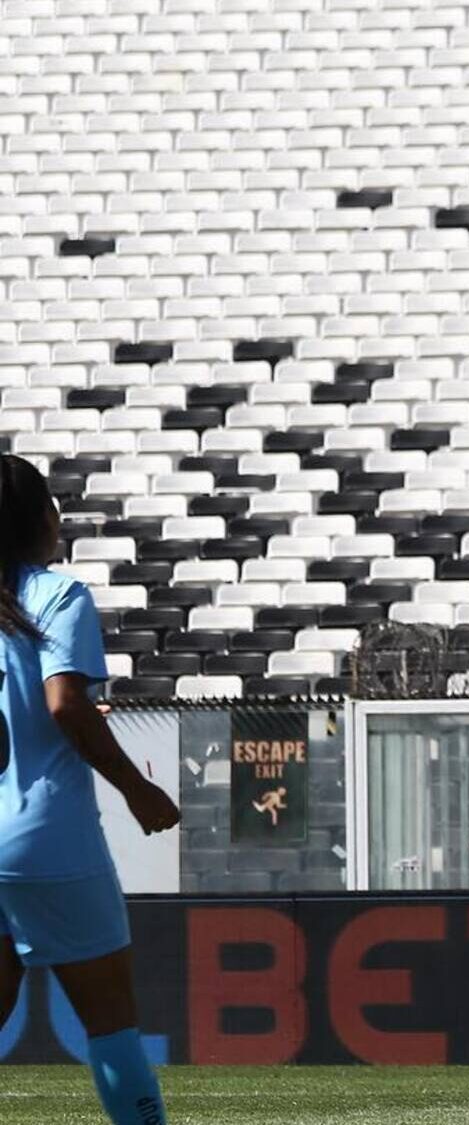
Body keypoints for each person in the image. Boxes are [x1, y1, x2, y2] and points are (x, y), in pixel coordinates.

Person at [0, 453, 180, 1125]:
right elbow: (63, 703)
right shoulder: (56, 593)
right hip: (45, 839)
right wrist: (137, 788)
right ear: (37, 518)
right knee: (110, 1023)